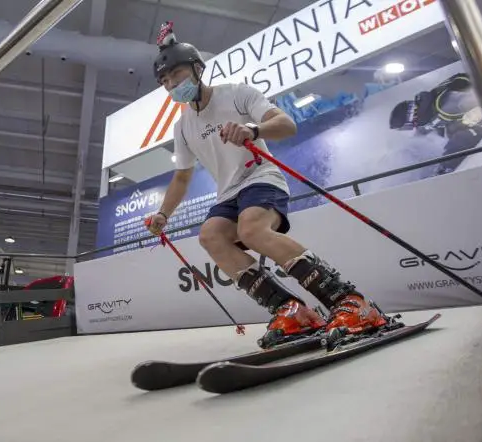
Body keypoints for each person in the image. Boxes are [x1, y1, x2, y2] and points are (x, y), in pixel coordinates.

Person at [145, 22, 388, 348]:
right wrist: (163, 214)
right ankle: (291, 310)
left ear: (197, 69)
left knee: (251, 230)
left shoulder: (236, 93)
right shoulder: (183, 126)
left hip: (260, 177)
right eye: (165, 81)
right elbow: (182, 177)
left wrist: (252, 131)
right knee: (210, 236)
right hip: (229, 191)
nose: (172, 85)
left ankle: (352, 302)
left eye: (176, 75)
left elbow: (285, 124)